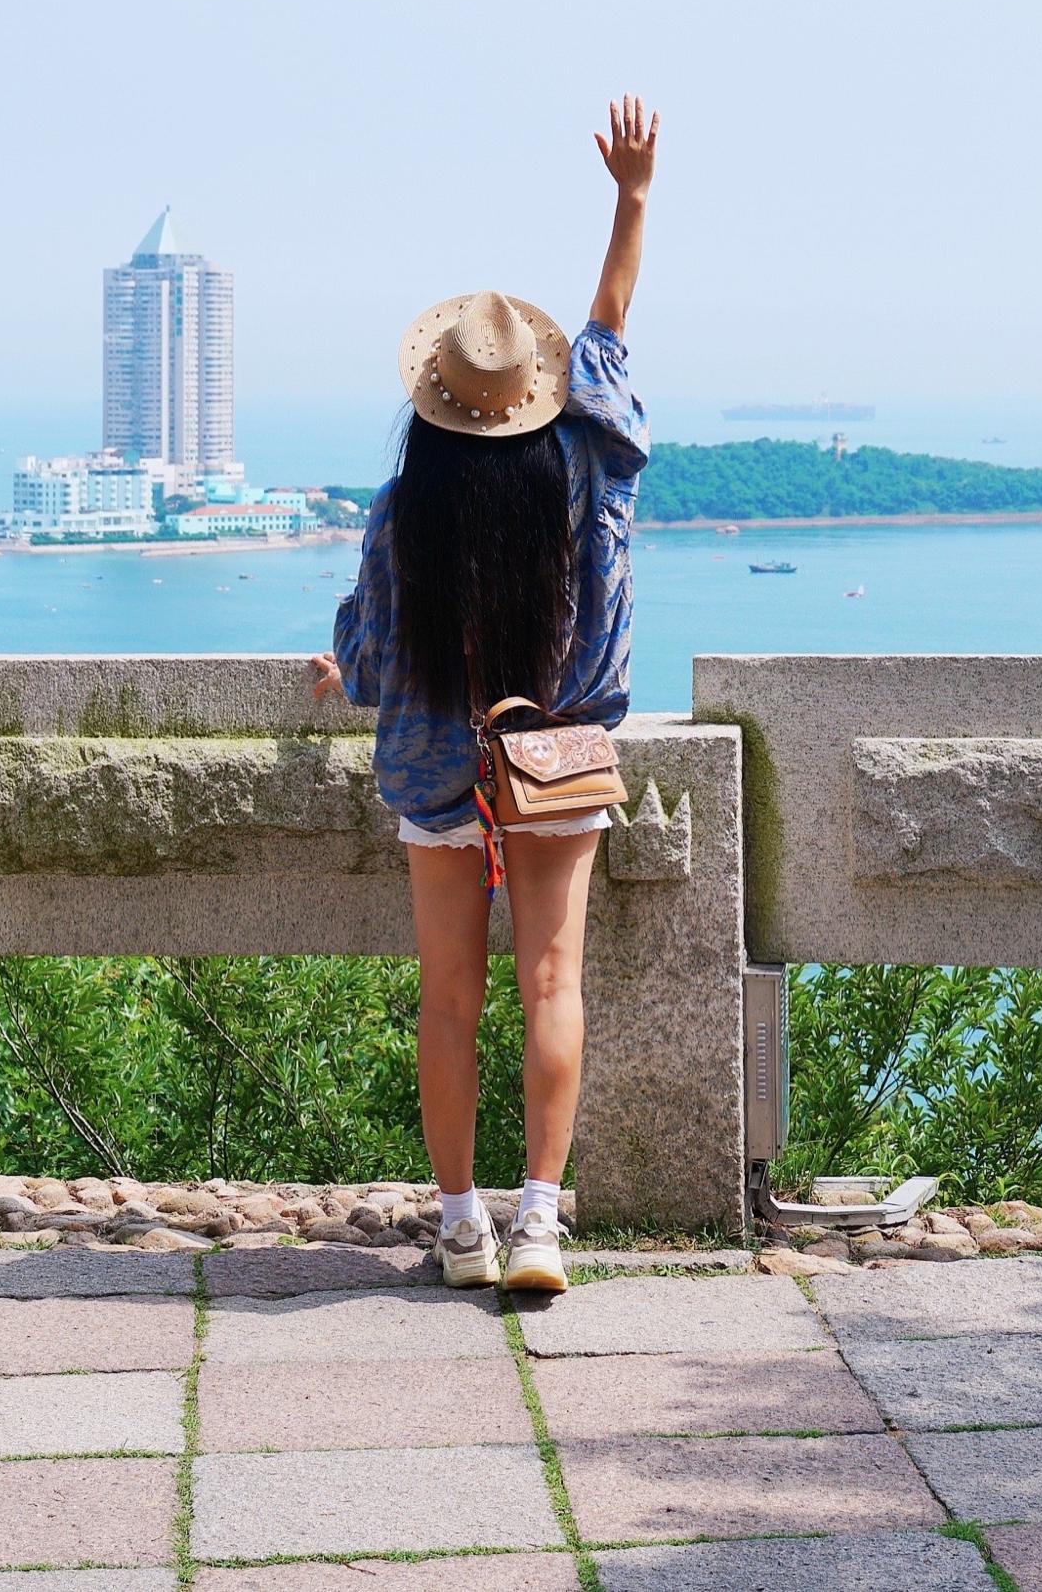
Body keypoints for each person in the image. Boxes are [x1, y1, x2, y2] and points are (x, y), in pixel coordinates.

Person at [313, 96, 656, 1293]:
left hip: (433, 761)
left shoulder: (407, 505)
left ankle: (459, 1226)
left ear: (439, 398)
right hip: (553, 758)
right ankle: (541, 1226)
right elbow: (607, 329)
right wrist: (630, 197)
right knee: (551, 983)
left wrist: (343, 667)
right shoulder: (590, 463)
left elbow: (368, 658)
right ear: (536, 387)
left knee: (448, 998)